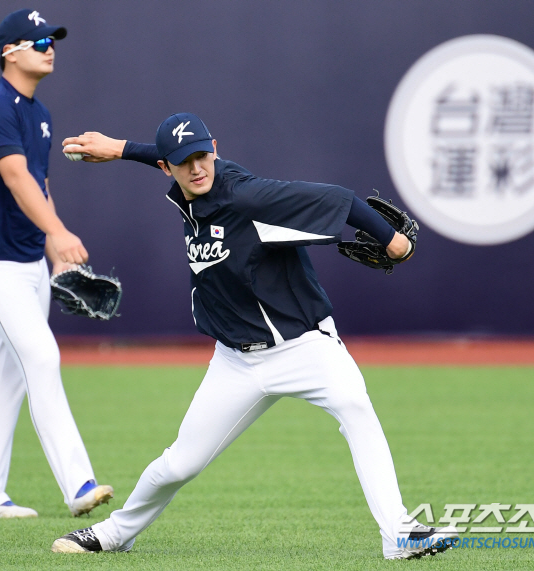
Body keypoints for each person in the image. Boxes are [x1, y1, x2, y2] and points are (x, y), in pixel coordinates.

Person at [51, 114, 457, 559]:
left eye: (203, 155)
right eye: (184, 162)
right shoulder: (188, 184)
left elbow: (341, 199)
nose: (197, 167)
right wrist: (121, 148)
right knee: (179, 463)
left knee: (357, 409)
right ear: (167, 168)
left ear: (216, 149)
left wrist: (394, 240)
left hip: (306, 346)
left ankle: (399, 534)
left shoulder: (248, 196)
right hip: (235, 362)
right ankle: (114, 534)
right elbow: (170, 157)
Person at [0, 8, 113, 519]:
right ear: (9, 51)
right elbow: (16, 178)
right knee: (41, 358)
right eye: (38, 40)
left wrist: (53, 251)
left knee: (9, 375)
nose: (49, 47)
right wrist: (60, 232)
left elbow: (40, 185)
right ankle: (79, 484)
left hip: (27, 261)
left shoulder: (38, 114)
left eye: (52, 40)